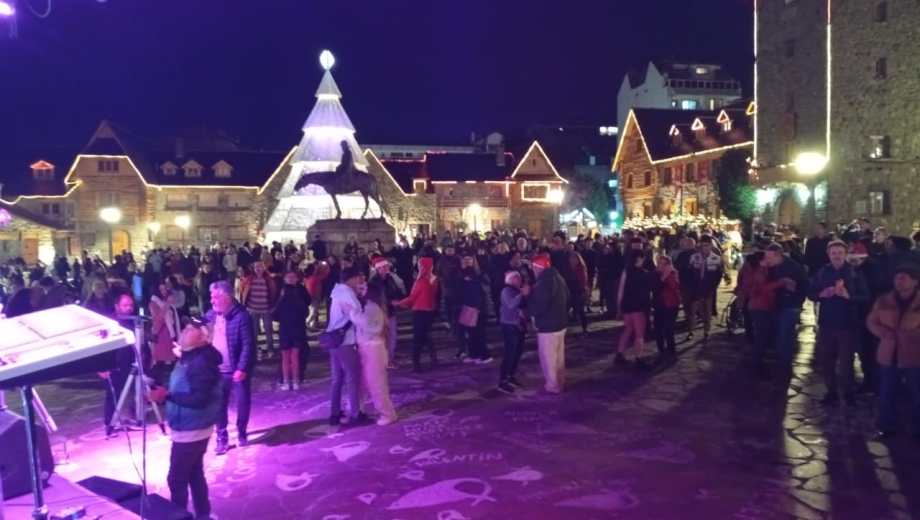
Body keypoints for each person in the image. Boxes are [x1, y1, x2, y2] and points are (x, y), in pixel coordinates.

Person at [148, 319, 222, 520]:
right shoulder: (191, 358)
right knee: (194, 473)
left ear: (203, 339)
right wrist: (164, 394)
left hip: (192, 429)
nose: (185, 331)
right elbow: (183, 389)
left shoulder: (200, 362)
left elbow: (199, 398)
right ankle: (203, 515)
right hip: (191, 427)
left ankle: (179, 516)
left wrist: (167, 396)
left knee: (176, 479)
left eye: (191, 329)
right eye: (186, 327)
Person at [808, 240, 869, 406]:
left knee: (846, 362)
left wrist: (849, 297)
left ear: (845, 254)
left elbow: (866, 297)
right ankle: (831, 391)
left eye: (840, 253)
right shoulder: (823, 272)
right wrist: (821, 293)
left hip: (847, 323)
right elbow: (811, 293)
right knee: (827, 360)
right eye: (833, 253)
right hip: (827, 323)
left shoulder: (854, 273)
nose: (837, 256)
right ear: (828, 255)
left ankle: (848, 393)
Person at [867, 264, 920, 439]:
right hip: (889, 353)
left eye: (904, 277)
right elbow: (872, 321)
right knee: (887, 392)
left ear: (915, 281)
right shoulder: (884, 300)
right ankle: (886, 425)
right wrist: (882, 332)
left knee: (916, 392)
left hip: (914, 354)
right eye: (897, 277)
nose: (899, 281)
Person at [206, 280, 256, 454]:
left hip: (237, 370)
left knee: (242, 402)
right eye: (211, 297)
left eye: (215, 297)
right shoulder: (210, 316)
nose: (212, 301)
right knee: (219, 405)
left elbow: (248, 345)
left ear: (226, 297)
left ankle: (242, 432)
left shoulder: (242, 316)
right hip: (217, 371)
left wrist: (242, 368)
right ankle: (222, 437)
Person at [350, 283, 398, 426]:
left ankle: (388, 414)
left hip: (373, 349)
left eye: (364, 289)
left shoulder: (372, 307)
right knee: (365, 381)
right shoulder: (373, 306)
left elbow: (369, 326)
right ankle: (357, 409)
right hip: (370, 348)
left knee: (377, 383)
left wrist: (353, 313)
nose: (361, 291)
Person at [326, 266, 365, 426]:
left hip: (332, 339)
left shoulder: (337, 292)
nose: (360, 281)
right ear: (352, 278)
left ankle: (334, 413)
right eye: (359, 278)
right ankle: (355, 414)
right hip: (345, 341)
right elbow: (358, 316)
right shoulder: (348, 293)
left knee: (337, 378)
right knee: (352, 377)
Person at [527, 254, 570, 394]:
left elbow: (539, 306)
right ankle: (560, 380)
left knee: (549, 358)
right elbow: (568, 298)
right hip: (561, 323)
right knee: (559, 356)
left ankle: (553, 385)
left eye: (533, 267)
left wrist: (528, 297)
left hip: (548, 326)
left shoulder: (543, 283)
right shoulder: (559, 278)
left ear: (537, 267)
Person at [763, 242, 808, 368]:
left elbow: (804, 286)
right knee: (778, 333)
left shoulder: (793, 267)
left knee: (785, 334)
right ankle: (780, 359)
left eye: (770, 258)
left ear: (778, 255)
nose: (767, 260)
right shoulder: (771, 267)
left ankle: (784, 363)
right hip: (776, 304)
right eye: (766, 257)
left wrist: (794, 292)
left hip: (790, 306)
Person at [101, 292, 138, 438]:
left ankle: (132, 417)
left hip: (130, 362)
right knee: (113, 394)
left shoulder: (133, 321)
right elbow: (102, 346)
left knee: (131, 391)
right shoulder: (109, 323)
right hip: (113, 364)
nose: (129, 308)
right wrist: (101, 367)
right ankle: (109, 424)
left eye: (131, 305)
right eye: (125, 305)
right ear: (117, 306)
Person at [395, 256, 440, 372]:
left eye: (420, 265)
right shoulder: (434, 279)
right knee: (426, 336)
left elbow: (412, 297)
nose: (418, 267)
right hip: (430, 310)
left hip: (419, 311)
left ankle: (416, 365)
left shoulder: (421, 281)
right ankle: (434, 359)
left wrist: (398, 303)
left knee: (418, 339)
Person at [615, 250, 654, 367]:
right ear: (640, 259)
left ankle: (619, 354)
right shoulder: (644, 273)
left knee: (628, 329)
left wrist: (619, 307)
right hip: (639, 306)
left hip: (627, 305)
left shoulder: (626, 271)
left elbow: (620, 291)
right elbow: (649, 292)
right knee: (639, 333)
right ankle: (639, 358)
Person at [275, 269, 311, 390]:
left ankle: (294, 380)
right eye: (288, 277)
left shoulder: (299, 290)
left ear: (297, 278)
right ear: (284, 278)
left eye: (293, 276)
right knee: (287, 355)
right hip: (288, 327)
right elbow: (275, 309)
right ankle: (288, 380)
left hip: (295, 327)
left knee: (294, 355)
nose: (290, 279)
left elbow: (306, 305)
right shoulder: (281, 291)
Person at [367, 256, 406, 366]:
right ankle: (383, 360)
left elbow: (397, 291)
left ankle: (389, 358)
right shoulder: (374, 282)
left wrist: (400, 299)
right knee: (382, 337)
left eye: (386, 266)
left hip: (391, 312)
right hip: (380, 313)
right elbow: (375, 298)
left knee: (392, 336)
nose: (386, 268)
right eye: (383, 267)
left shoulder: (390, 279)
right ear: (378, 269)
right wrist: (390, 302)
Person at [684, 236, 724, 342]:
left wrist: (713, 287)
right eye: (702, 245)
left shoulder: (716, 258)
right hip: (695, 289)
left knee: (707, 312)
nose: (704, 248)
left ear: (711, 245)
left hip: (708, 290)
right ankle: (690, 332)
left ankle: (706, 332)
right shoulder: (694, 257)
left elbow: (718, 275)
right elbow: (689, 273)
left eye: (706, 245)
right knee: (692, 312)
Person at [498, 271, 529, 394]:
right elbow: (511, 304)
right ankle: (502, 381)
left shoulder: (516, 290)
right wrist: (522, 293)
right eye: (516, 278)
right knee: (509, 353)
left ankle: (511, 375)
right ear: (510, 280)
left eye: (519, 278)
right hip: (509, 325)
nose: (519, 280)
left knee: (517, 352)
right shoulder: (506, 291)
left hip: (519, 325)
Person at [240, 261, 278, 359]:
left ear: (264, 268)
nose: (258, 269)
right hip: (253, 309)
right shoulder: (249, 279)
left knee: (269, 331)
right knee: (254, 332)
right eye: (256, 267)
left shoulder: (268, 279)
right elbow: (243, 292)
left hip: (266, 309)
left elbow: (273, 293)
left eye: (261, 266)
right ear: (253, 268)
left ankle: (270, 349)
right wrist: (244, 305)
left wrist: (272, 305)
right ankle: (255, 350)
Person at [459, 254, 491, 364]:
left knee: (479, 332)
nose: (467, 261)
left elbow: (482, 289)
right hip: (467, 305)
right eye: (465, 259)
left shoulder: (479, 274)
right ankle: (473, 354)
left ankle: (485, 355)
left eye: (469, 259)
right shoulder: (461, 273)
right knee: (470, 333)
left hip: (477, 307)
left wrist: (478, 307)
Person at [652, 255, 680, 357]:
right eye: (659, 263)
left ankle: (671, 350)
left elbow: (675, 288)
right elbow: (655, 288)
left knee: (669, 329)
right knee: (658, 328)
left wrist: (673, 276)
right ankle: (661, 350)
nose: (662, 266)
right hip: (659, 304)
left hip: (671, 304)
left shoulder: (673, 274)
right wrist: (663, 277)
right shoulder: (654, 275)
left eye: (665, 264)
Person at [149, 281, 180, 367]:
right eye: (161, 289)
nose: (164, 291)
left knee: (170, 361)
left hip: (170, 333)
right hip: (162, 335)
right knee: (164, 361)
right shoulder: (154, 303)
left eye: (164, 289)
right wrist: (167, 304)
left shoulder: (164, 300)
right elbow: (158, 319)